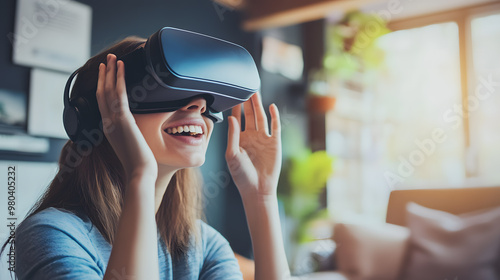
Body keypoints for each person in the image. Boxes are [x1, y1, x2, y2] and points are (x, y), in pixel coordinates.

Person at [0, 37, 290, 279]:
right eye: (165, 87)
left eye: (203, 96)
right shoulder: (54, 235)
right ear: (95, 117)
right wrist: (139, 175)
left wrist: (261, 197)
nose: (199, 104)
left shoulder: (201, 246)